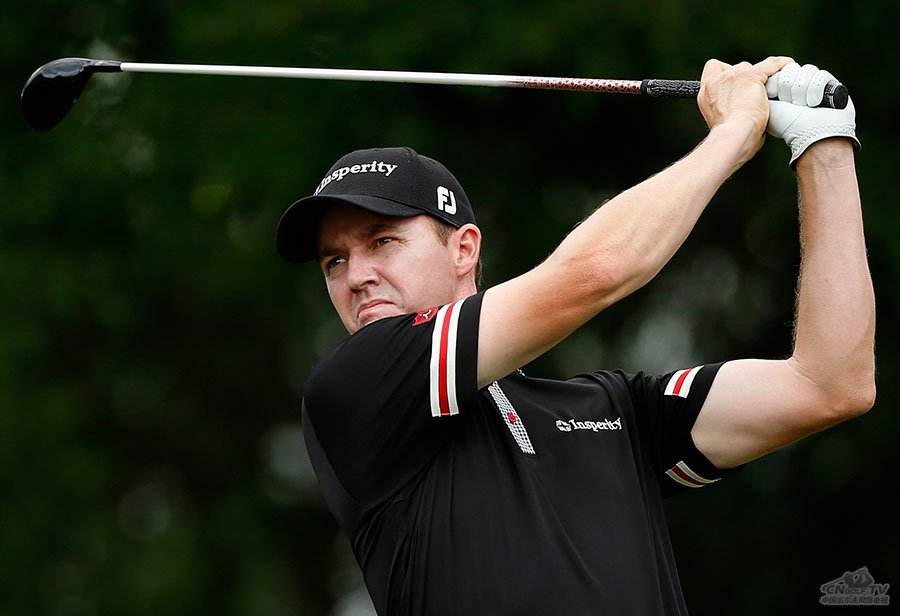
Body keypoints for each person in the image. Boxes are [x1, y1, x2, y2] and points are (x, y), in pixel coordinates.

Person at [275, 56, 875, 615]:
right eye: (334, 261)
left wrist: (822, 144)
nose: (356, 276)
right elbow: (596, 273)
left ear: (463, 250)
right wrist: (734, 131)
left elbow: (830, 384)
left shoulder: (615, 411)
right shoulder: (354, 388)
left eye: (382, 241)